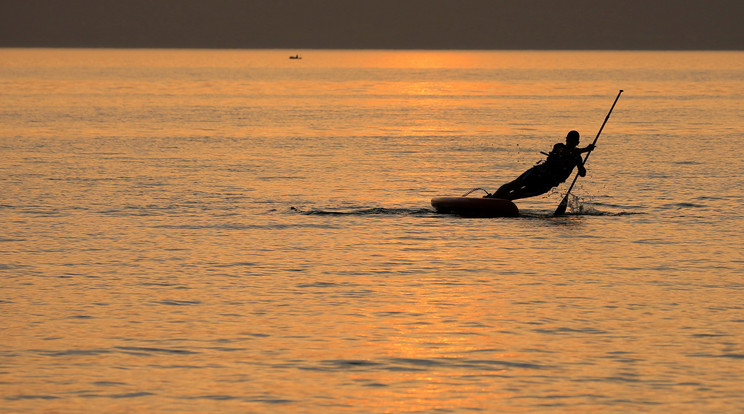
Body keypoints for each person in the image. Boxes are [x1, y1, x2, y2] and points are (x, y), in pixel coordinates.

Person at [487, 130, 595, 200]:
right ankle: (493, 199)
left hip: (547, 182)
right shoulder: (559, 147)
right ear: (566, 140)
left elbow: (582, 174)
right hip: (537, 173)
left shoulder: (577, 157)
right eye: (569, 140)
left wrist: (580, 166)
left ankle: (500, 202)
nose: (570, 143)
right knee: (514, 184)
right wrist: (585, 149)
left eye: (573, 141)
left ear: (577, 143)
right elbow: (566, 153)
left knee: (518, 194)